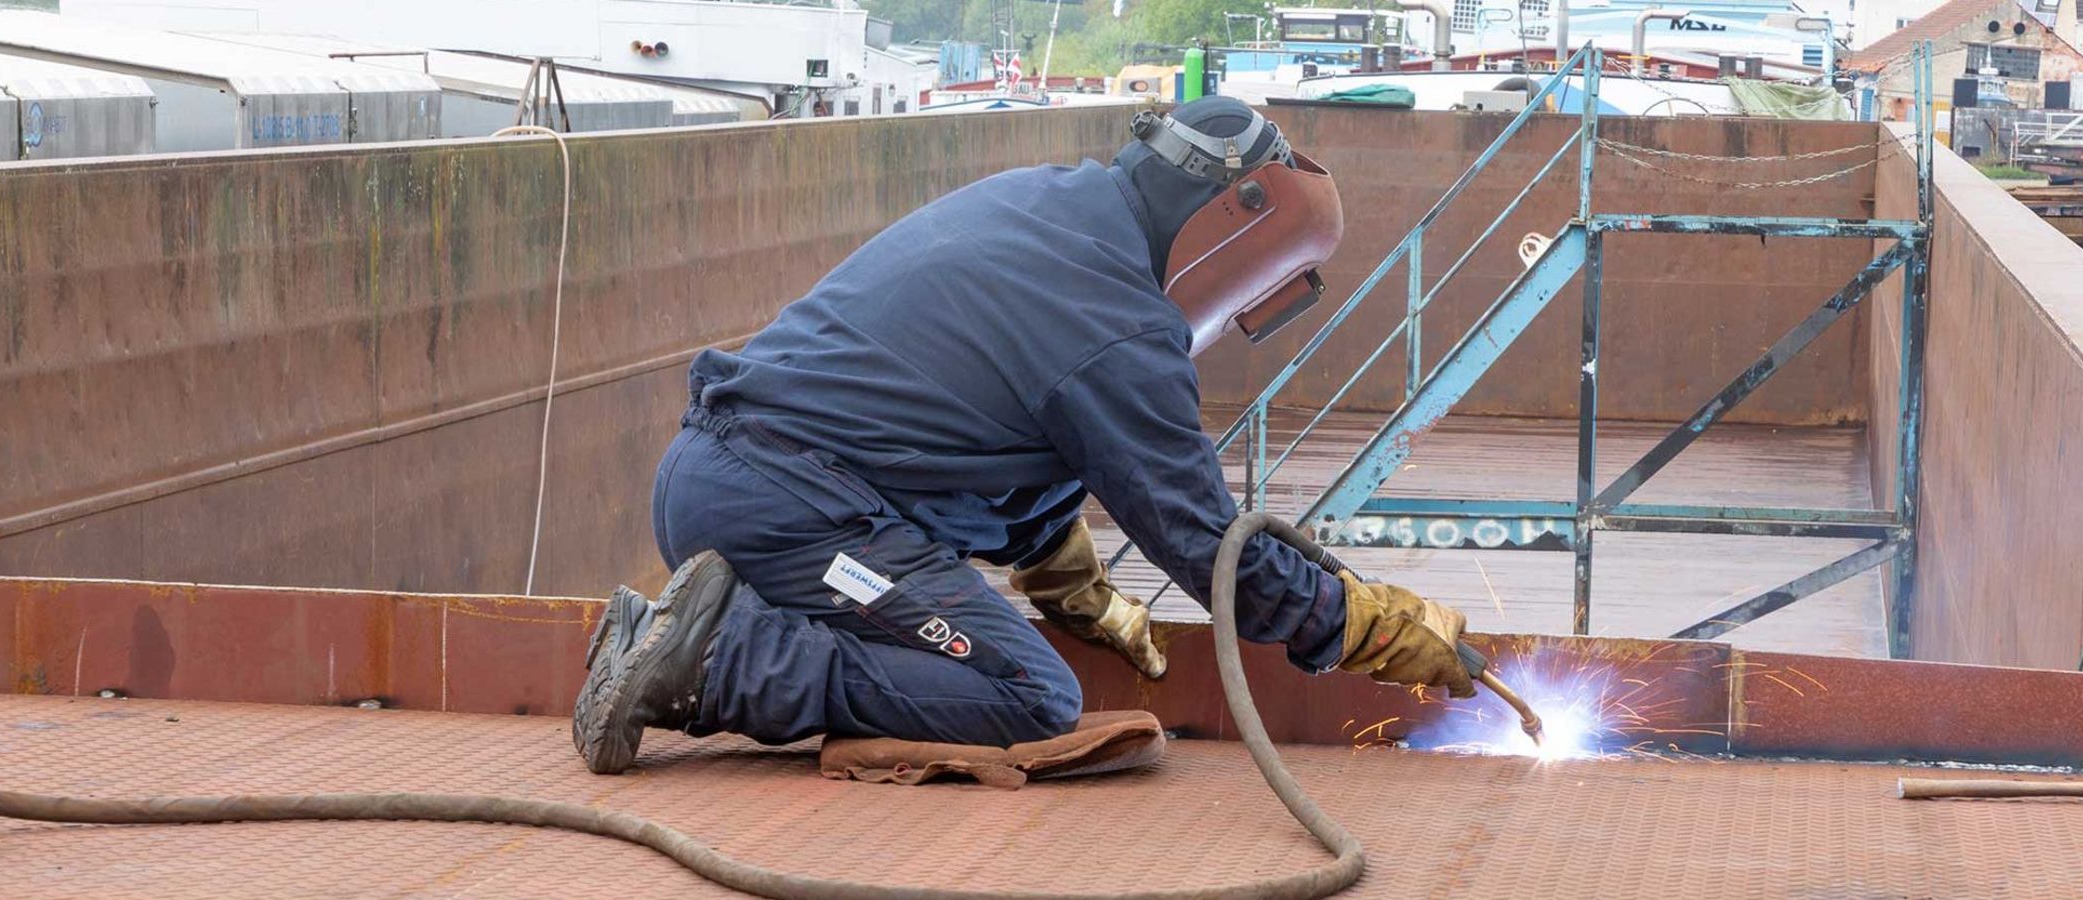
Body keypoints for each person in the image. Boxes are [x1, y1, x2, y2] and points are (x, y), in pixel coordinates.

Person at [573, 96, 1479, 773]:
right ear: (1239, 213)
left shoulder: (1053, 212)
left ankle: (708, 630)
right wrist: (1366, 624)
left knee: (963, 647)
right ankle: (709, 661)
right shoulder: (1113, 313)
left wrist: (1082, 595)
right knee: (1028, 695)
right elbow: (1209, 544)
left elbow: (1003, 456)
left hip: (736, 476)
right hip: (792, 509)